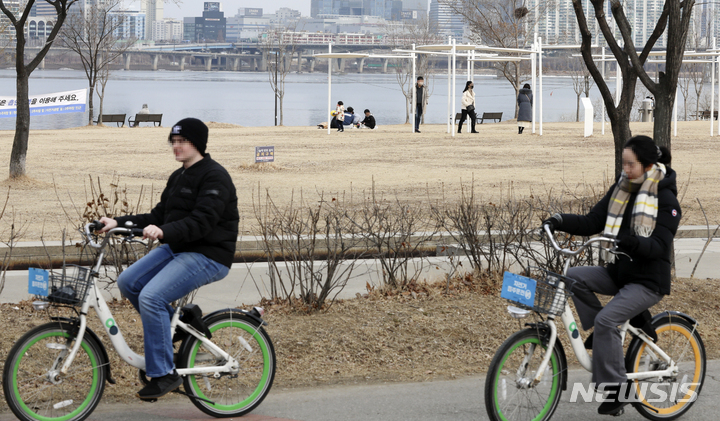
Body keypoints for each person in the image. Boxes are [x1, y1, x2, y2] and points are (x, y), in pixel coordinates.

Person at [99, 118, 239, 401]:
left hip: (208, 253)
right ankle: (178, 323)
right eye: (173, 142)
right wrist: (117, 222)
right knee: (128, 282)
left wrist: (163, 231)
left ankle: (164, 373)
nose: (176, 146)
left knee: (151, 296)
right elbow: (157, 216)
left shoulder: (214, 176)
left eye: (182, 141)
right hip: (178, 247)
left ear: (197, 143)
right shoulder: (179, 176)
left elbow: (202, 222)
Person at [542, 136, 680, 416]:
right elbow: (593, 221)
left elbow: (659, 245)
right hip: (619, 272)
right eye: (623, 164)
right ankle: (605, 336)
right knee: (573, 278)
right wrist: (558, 220)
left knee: (608, 320)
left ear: (648, 165)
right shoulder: (621, 189)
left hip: (647, 281)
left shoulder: (666, 199)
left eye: (631, 165)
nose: (625, 170)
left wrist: (633, 243)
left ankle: (618, 391)